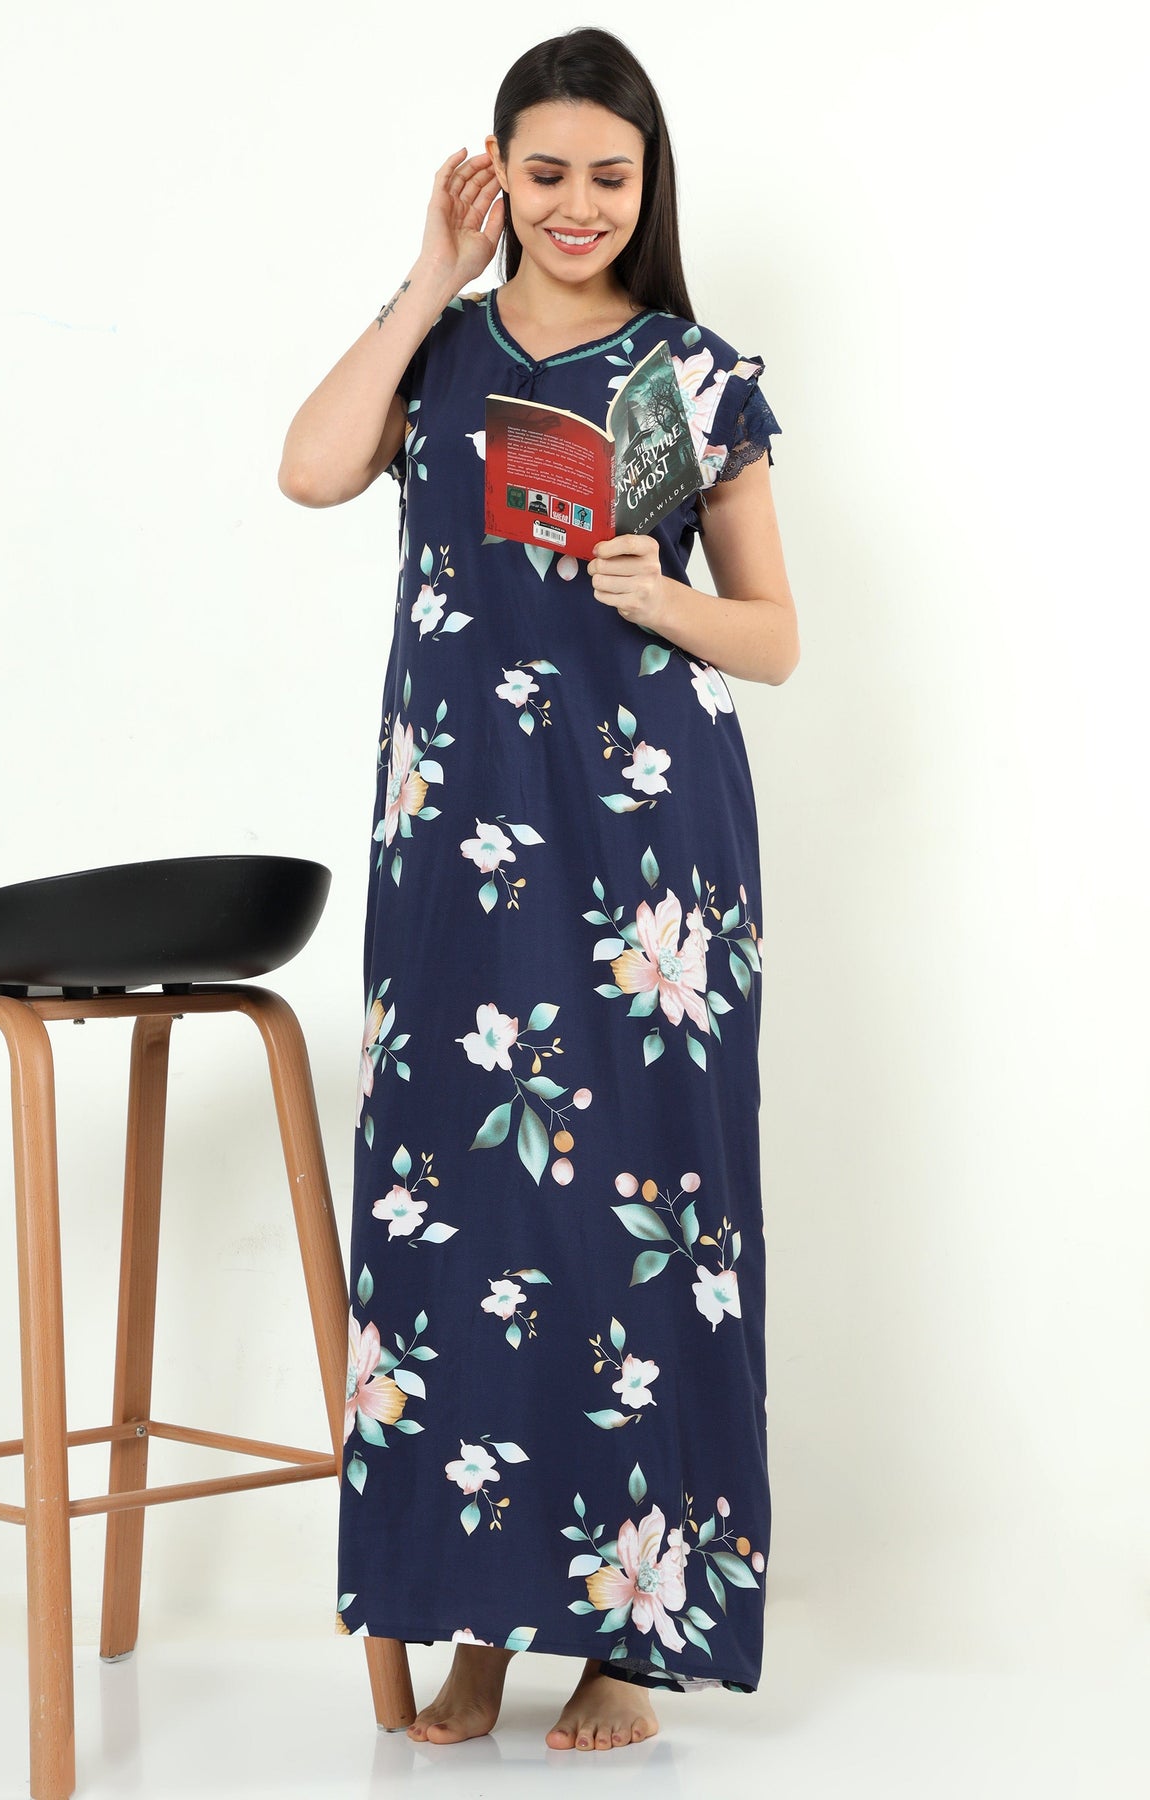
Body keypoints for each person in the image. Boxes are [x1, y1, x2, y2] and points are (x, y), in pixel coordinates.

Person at [278, 25, 798, 1754]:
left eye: (610, 176)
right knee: (452, 1214)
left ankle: (619, 1646)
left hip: (647, 864)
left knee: (633, 1219)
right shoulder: (437, 351)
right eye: (546, 172)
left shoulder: (692, 376)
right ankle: (468, 1627)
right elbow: (309, 466)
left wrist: (659, 596)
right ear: (496, 172)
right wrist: (430, 274)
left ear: (650, 186)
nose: (578, 204)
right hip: (458, 834)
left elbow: (774, 639)